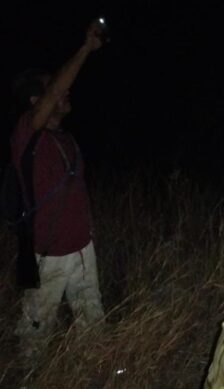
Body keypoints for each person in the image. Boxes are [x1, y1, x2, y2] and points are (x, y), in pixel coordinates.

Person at [9, 20, 106, 361]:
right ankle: (31, 378)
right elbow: (51, 96)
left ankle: (95, 375)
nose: (65, 92)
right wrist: (85, 50)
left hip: (81, 250)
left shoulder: (65, 139)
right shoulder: (25, 137)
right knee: (36, 329)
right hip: (47, 255)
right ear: (38, 100)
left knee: (92, 323)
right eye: (54, 89)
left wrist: (89, 234)